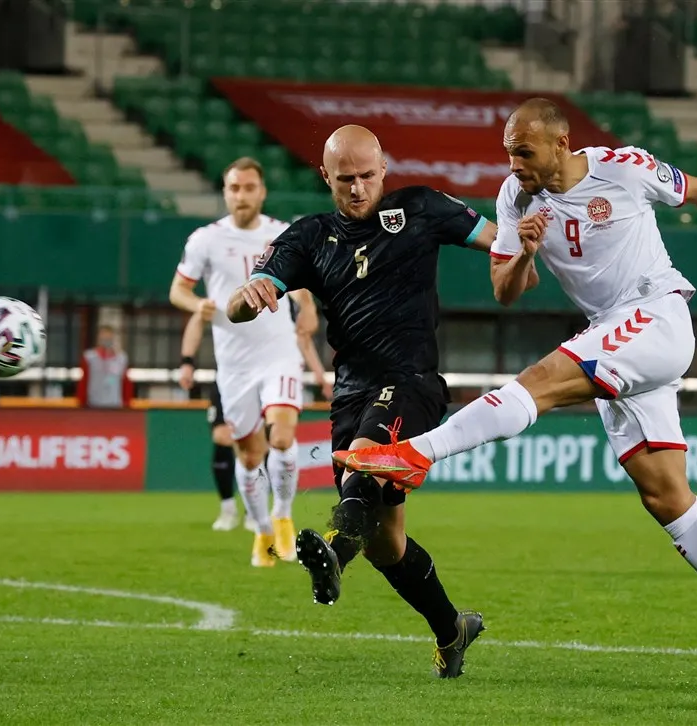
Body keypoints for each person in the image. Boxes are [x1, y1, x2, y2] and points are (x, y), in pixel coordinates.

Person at [336, 99, 697, 693]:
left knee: (540, 381)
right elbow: (506, 289)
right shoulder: (515, 199)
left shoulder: (623, 167)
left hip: (655, 315)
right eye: (508, 152)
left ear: (561, 144)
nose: (513, 164)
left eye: (524, 152)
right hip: (613, 333)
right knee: (666, 496)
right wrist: (527, 249)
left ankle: (418, 451)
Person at [227, 125, 498, 678]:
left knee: (366, 460)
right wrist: (246, 297)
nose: (357, 189)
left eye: (367, 176)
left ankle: (332, 551)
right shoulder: (308, 237)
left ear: (384, 168)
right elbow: (242, 300)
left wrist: (524, 247)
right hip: (351, 392)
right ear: (325, 176)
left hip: (413, 380)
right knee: (387, 542)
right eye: (344, 179)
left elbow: (500, 240)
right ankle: (452, 631)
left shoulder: (420, 208)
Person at [170, 157, 324, 567]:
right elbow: (177, 291)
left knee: (283, 437)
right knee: (250, 456)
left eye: (249, 187)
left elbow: (300, 282)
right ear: (225, 192)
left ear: (262, 191)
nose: (242, 195)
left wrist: (307, 307)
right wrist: (197, 303)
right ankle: (261, 531)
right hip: (234, 363)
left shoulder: (280, 234)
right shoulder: (205, 239)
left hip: (279, 354)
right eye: (234, 188)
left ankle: (284, 515)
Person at [179, 306, 332, 533]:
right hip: (233, 375)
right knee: (225, 437)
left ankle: (265, 514)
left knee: (271, 441)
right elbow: (197, 311)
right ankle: (228, 507)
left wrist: (320, 376)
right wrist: (187, 361)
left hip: (273, 374)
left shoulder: (283, 288)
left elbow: (303, 335)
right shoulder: (226, 285)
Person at [77, 324, 133, 409]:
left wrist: (127, 402)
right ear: (98, 338)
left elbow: (125, 382)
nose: (106, 340)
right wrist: (82, 402)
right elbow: (84, 380)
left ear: (113, 338)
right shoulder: (89, 357)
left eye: (108, 337)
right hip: (93, 403)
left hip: (115, 404)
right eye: (103, 337)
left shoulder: (121, 358)